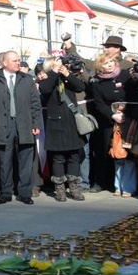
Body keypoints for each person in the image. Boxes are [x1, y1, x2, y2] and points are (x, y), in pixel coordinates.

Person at [0, 50, 42, 205]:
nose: (18, 63)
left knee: (26, 161)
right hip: (3, 125)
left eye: (19, 60)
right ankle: (6, 193)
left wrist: (36, 124)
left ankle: (25, 193)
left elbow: (35, 104)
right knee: (5, 161)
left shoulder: (27, 80)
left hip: (24, 125)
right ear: (5, 63)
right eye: (15, 60)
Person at [90, 53, 138, 198]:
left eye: (111, 61)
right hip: (111, 121)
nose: (109, 64)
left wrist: (126, 113)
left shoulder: (125, 75)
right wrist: (112, 115)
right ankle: (117, 185)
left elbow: (136, 94)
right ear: (99, 66)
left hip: (130, 119)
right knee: (116, 154)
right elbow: (99, 104)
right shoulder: (96, 82)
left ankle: (129, 186)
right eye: (105, 63)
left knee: (129, 155)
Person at [38, 56, 87, 202]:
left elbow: (80, 87)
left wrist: (67, 74)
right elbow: (45, 89)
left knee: (73, 155)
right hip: (55, 124)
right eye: (56, 64)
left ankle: (74, 188)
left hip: (71, 122)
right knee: (58, 157)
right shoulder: (47, 79)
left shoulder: (67, 78)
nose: (59, 66)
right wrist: (53, 72)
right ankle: (59, 189)